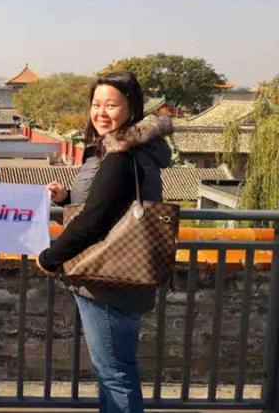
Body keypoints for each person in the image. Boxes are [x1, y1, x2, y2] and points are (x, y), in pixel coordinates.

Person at [36, 71, 172, 412]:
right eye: (96, 104)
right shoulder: (128, 150)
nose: (101, 113)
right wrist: (67, 198)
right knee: (113, 369)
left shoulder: (122, 156)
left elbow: (95, 222)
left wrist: (51, 258)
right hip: (118, 275)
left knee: (115, 373)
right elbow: (110, 205)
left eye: (111, 105)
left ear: (132, 108)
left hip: (108, 281)